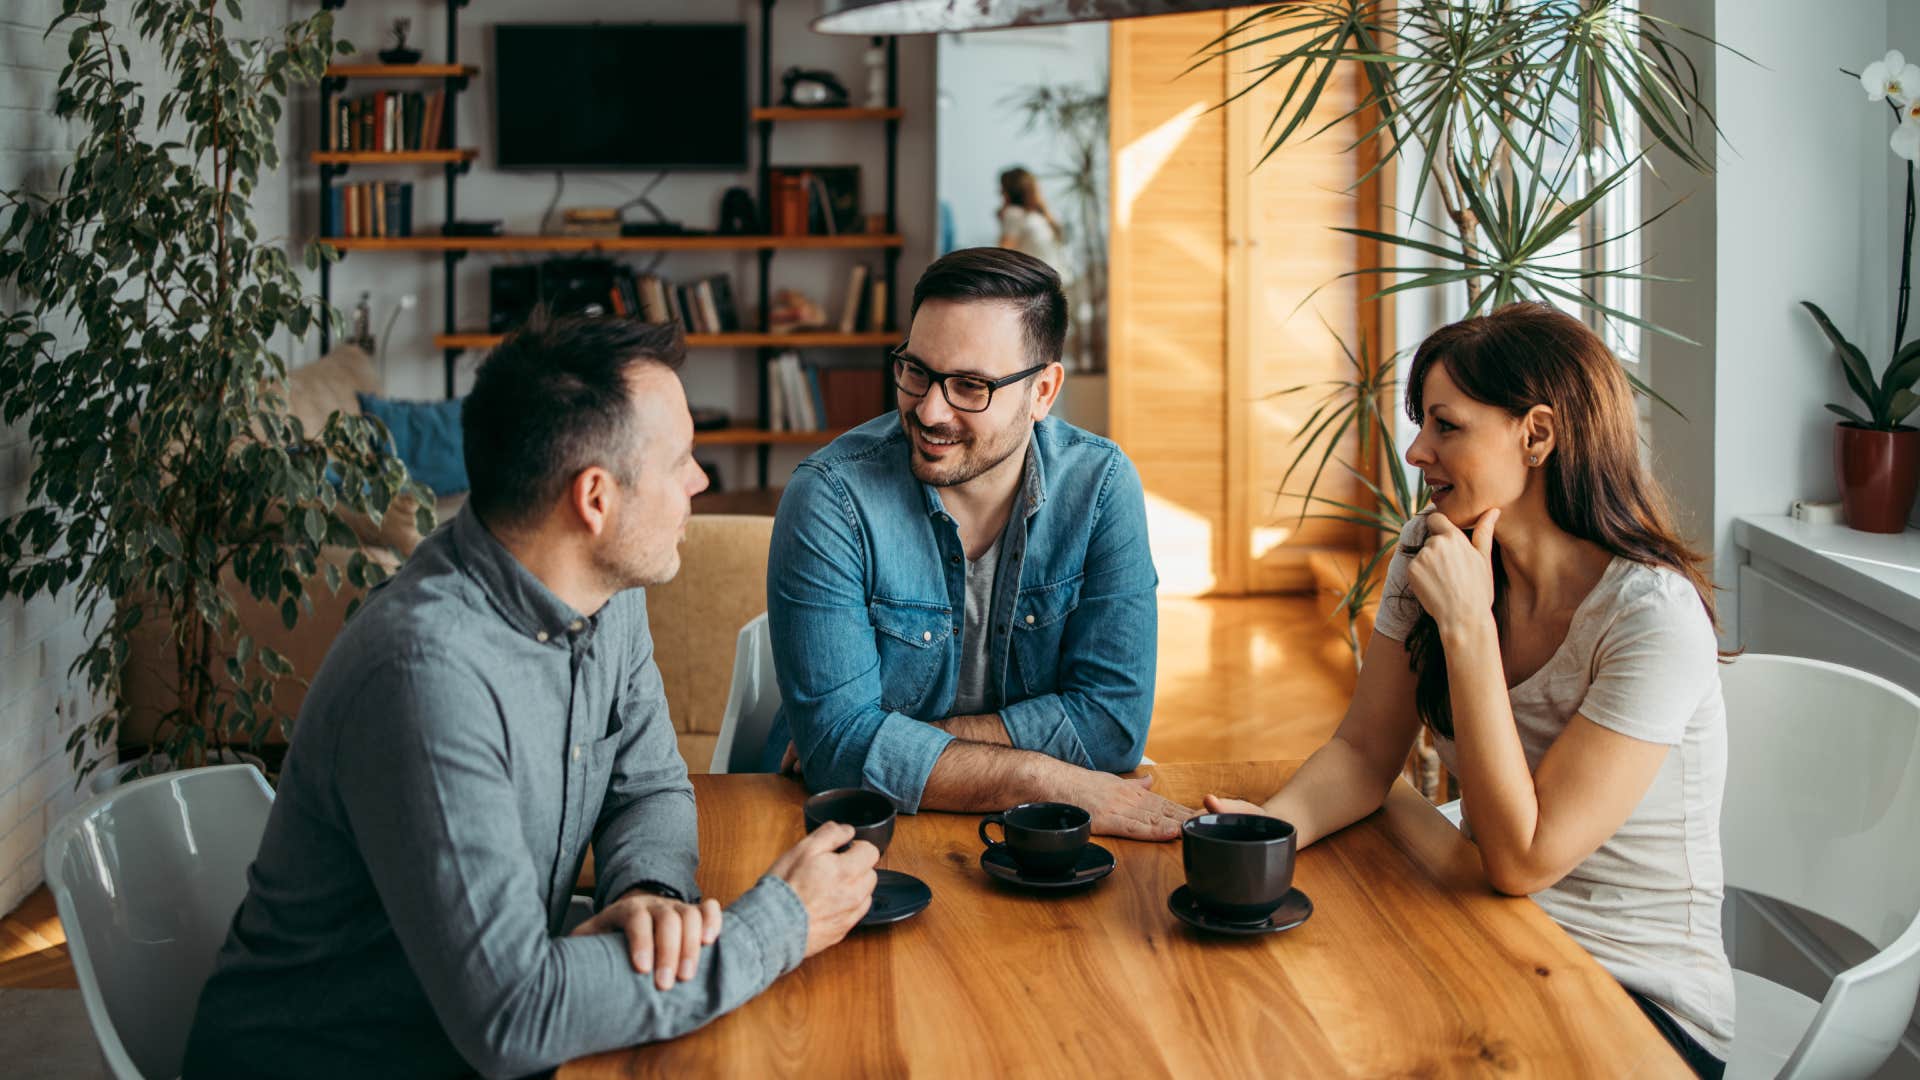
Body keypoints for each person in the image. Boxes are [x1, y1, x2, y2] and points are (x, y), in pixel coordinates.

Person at [183, 317, 880, 1080]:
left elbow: (646, 783)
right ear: (594, 499)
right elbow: (515, 1014)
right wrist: (782, 922)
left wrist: (651, 899)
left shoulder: (603, 593)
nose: (700, 482)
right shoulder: (423, 676)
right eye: (680, 460)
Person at [1206, 302, 1734, 1078]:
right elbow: (1363, 750)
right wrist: (1271, 833)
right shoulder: (1430, 548)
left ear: (1539, 434)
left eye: (1446, 426)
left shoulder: (1651, 616)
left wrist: (1467, 627)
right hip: (1487, 936)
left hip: (1637, 1002)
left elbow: (1523, 858)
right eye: (1421, 424)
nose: (1416, 451)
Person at [763, 248, 1187, 840]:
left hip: (1035, 839)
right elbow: (837, 754)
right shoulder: (831, 498)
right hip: (854, 838)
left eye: (969, 385)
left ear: (1043, 391)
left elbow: (1113, 727)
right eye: (916, 370)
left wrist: (884, 744)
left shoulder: (1100, 488)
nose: (930, 409)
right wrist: (1046, 778)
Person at [997, 167, 1068, 282]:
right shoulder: (1027, 215)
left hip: (1043, 280)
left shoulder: (1018, 214)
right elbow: (1004, 253)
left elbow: (1004, 252)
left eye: (1002, 188)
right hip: (1051, 279)